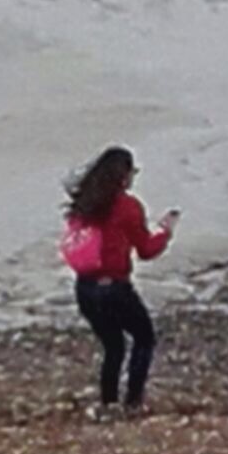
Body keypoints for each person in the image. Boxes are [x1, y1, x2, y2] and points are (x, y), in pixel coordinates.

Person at [63, 147, 177, 412]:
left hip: (85, 287)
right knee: (144, 338)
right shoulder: (127, 206)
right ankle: (133, 401)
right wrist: (165, 233)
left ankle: (109, 402)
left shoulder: (85, 205)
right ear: (124, 176)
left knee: (113, 346)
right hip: (114, 286)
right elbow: (146, 250)